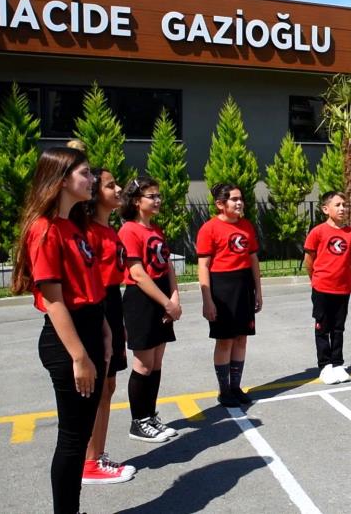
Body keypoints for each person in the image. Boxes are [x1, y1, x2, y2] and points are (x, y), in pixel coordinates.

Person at [11, 147, 111, 513]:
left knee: (80, 435)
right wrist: (80, 357)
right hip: (69, 341)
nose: (92, 179)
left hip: (90, 329)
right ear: (62, 179)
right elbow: (54, 301)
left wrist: (104, 330)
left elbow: (88, 285)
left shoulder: (75, 225)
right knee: (72, 439)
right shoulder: (45, 229)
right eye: (85, 173)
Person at [82, 168, 136, 484]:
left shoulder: (109, 229)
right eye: (110, 185)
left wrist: (119, 324)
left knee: (109, 387)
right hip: (98, 306)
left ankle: (97, 456)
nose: (118, 190)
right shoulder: (88, 232)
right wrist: (105, 324)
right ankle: (90, 462)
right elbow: (91, 283)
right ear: (94, 193)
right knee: (99, 389)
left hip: (112, 304)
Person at [118, 176, 182, 443]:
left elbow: (167, 266)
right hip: (142, 300)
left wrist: (174, 298)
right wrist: (166, 303)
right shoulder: (129, 230)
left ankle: (150, 415)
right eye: (151, 196)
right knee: (143, 364)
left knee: (156, 362)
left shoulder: (156, 229)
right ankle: (139, 421)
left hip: (162, 296)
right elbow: (137, 273)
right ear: (136, 201)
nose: (157, 200)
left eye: (158, 195)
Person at [196, 184, 263, 407]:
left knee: (241, 338)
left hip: (244, 286)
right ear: (220, 204)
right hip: (222, 289)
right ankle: (224, 390)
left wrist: (258, 291)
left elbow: (253, 259)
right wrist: (207, 300)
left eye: (240, 198)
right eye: (234, 199)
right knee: (225, 340)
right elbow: (203, 266)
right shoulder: (209, 229)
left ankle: (235, 386)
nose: (239, 202)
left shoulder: (246, 226)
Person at [304, 191, 351, 385]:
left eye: (344, 204)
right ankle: (325, 365)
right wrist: (316, 279)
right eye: (337, 205)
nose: (342, 208)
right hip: (322, 287)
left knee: (338, 328)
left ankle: (337, 363)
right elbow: (309, 260)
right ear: (326, 209)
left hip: (342, 288)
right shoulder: (318, 232)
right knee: (322, 327)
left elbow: (350, 258)